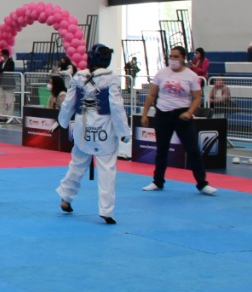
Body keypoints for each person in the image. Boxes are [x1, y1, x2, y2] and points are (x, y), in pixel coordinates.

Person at [55, 44, 131, 224]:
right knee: (107, 169)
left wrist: (62, 121)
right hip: (104, 128)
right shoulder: (111, 78)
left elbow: (68, 103)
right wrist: (123, 131)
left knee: (77, 163)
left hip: (83, 126)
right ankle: (106, 211)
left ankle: (66, 197)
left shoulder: (78, 77)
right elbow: (116, 107)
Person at [139, 45, 216, 195]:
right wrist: (144, 114)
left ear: (183, 58)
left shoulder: (191, 76)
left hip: (182, 115)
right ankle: (158, 181)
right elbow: (151, 95)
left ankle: (202, 183)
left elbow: (197, 97)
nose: (173, 59)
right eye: (171, 56)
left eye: (176, 57)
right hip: (163, 113)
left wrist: (189, 112)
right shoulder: (161, 73)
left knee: (192, 149)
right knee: (162, 149)